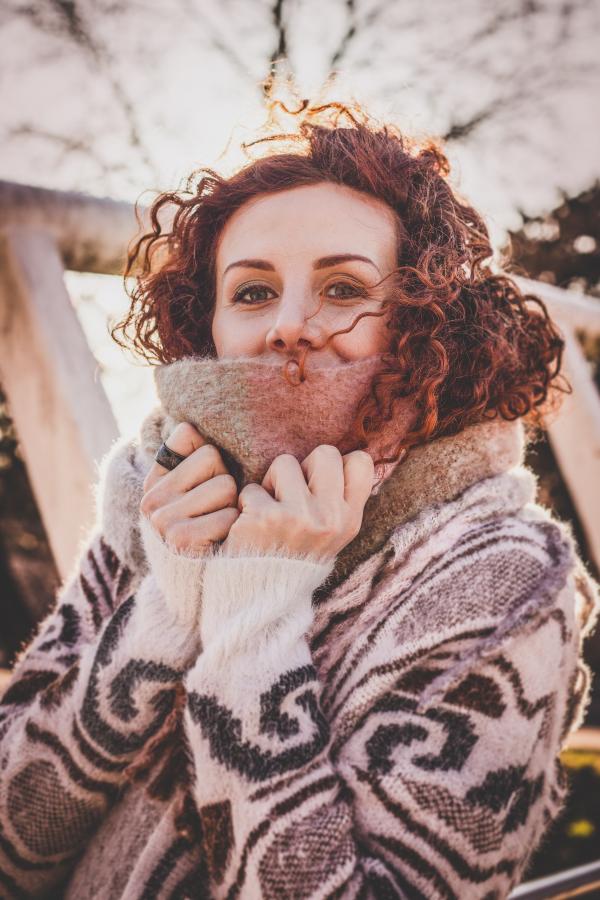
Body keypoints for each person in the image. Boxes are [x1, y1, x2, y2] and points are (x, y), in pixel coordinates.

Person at [0, 98, 598, 900]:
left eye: (343, 287)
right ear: (206, 323)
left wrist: (253, 619)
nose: (289, 325)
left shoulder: (504, 577)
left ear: (428, 321)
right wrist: (167, 613)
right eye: (250, 293)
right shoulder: (153, 499)